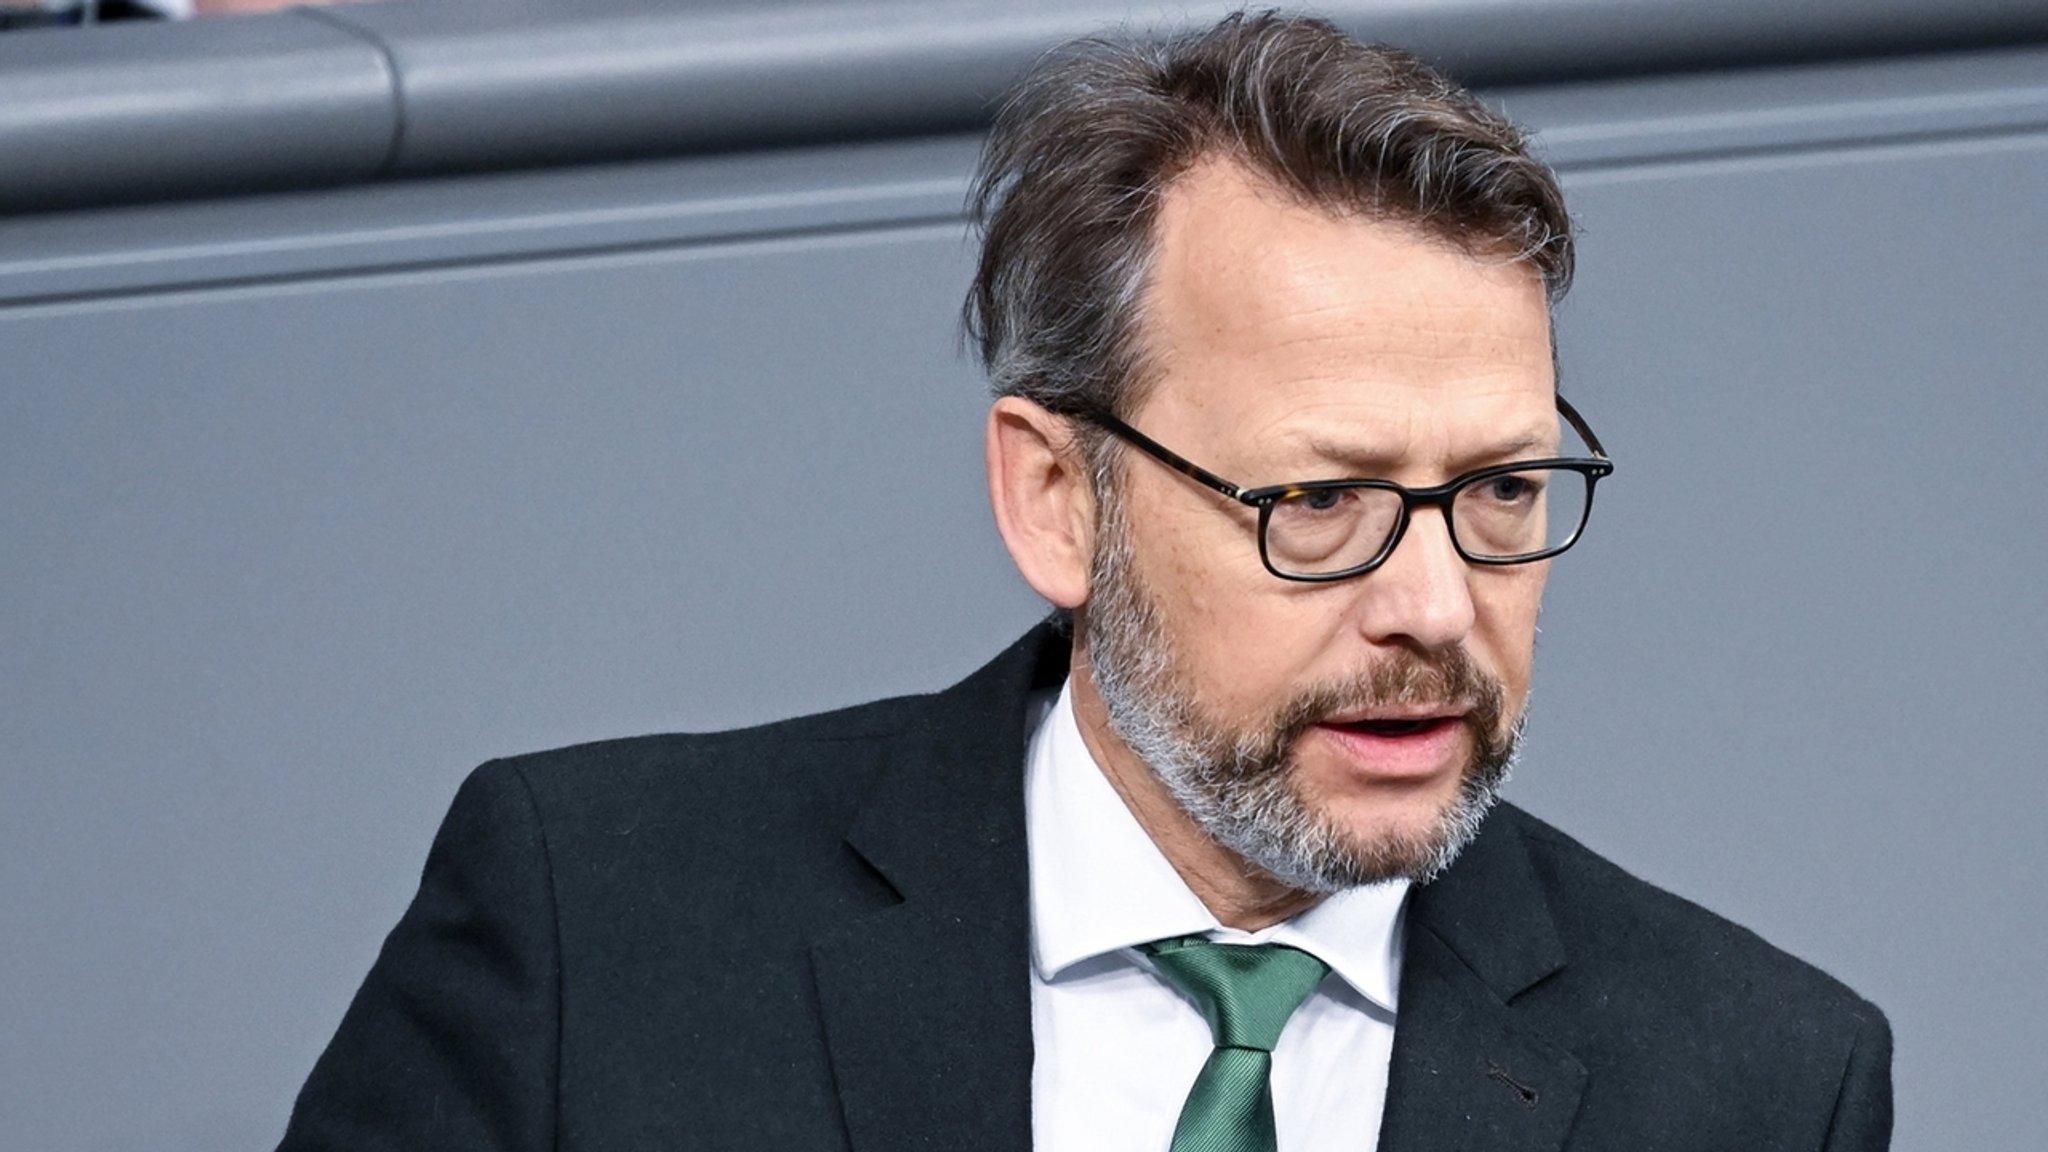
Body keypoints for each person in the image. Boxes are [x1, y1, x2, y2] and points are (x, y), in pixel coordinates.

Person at [278, 11, 1891, 1151]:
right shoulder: (598, 930)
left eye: (1500, 490)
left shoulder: (1761, 1082)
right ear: (1059, 498)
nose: (1435, 606)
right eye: (1321, 501)